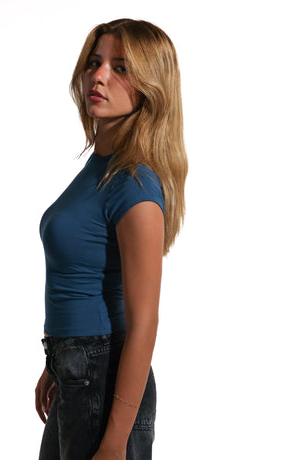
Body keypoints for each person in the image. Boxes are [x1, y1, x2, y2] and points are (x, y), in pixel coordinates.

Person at [35, 18, 188, 460]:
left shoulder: (133, 184)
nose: (98, 76)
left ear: (150, 87)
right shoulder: (100, 167)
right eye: (94, 62)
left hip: (103, 377)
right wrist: (58, 365)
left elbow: (144, 324)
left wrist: (116, 441)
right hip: (76, 369)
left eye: (120, 68)